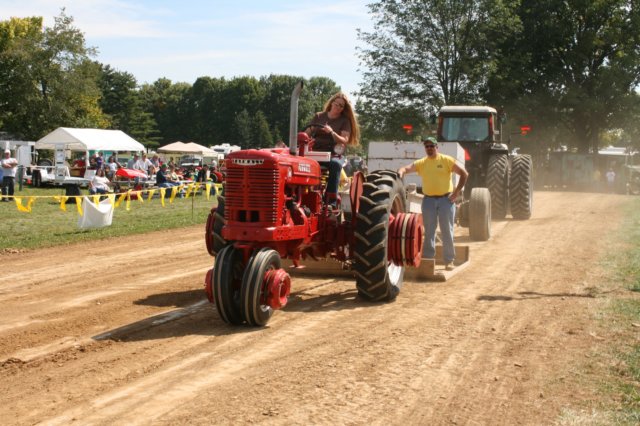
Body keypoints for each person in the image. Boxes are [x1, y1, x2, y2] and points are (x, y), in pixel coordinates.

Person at [398, 137, 468, 271]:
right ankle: (428, 259)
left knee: (447, 231)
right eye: (427, 146)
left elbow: (464, 173)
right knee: (429, 231)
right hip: (428, 200)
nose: (429, 148)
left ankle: (449, 260)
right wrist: (401, 171)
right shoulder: (422, 163)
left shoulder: (446, 160)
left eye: (431, 146)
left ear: (437, 147)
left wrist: (456, 192)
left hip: (446, 200)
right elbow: (407, 168)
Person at [306, 92, 360, 207]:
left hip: (333, 154)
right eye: (337, 104)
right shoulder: (319, 116)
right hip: (314, 152)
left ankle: (331, 201)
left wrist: (331, 132)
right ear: (332, 103)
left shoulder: (344, 121)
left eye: (341, 106)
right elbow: (307, 132)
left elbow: (344, 140)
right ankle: (303, 195)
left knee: (335, 165)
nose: (338, 107)